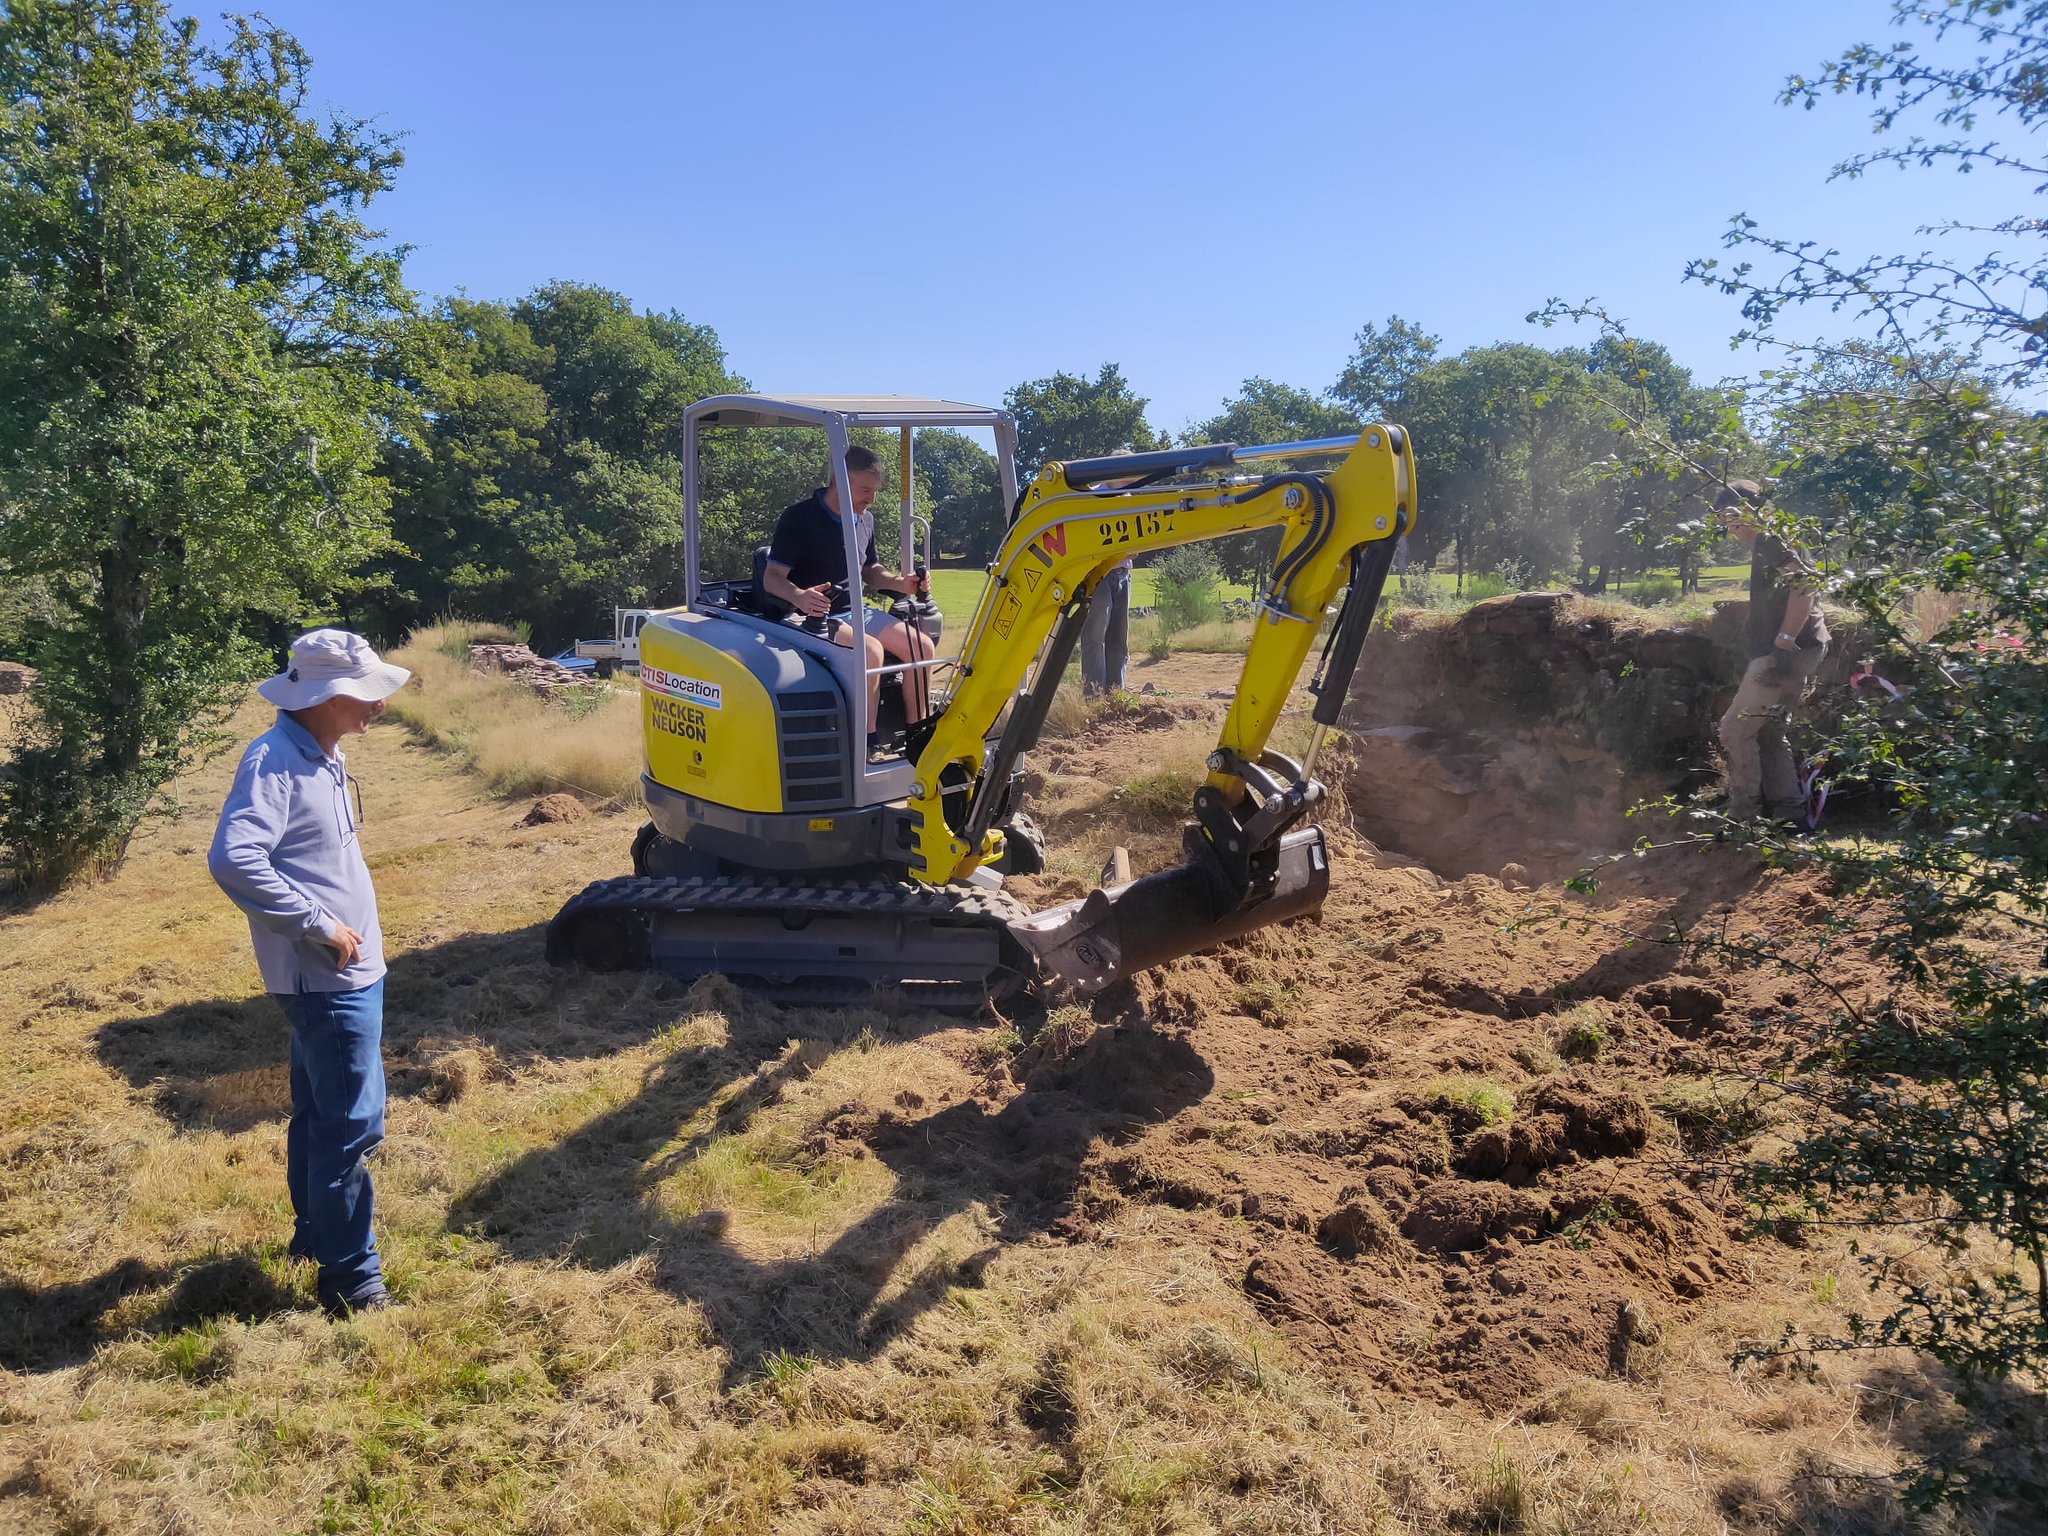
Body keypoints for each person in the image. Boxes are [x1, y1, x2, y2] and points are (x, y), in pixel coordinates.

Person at [208, 628, 410, 1317]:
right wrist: (320, 927)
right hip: (329, 983)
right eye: (364, 695)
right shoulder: (273, 763)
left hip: (344, 976)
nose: (377, 707)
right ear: (323, 697)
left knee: (321, 1112)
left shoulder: (318, 752)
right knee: (350, 1127)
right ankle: (352, 1281)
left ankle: (313, 1236)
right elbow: (235, 860)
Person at [762, 444, 934, 749]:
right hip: (812, 615)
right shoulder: (798, 518)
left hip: (855, 611)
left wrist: (900, 583)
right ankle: (868, 742)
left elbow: (869, 569)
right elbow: (772, 578)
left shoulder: (864, 519)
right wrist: (801, 596)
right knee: (871, 651)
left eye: (876, 490)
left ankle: (918, 734)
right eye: (866, 489)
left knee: (921, 646)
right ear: (839, 481)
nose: (872, 498)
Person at [1714, 480, 1830, 825]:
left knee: (1734, 729)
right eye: (1724, 522)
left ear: (1751, 509)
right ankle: (1789, 813)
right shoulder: (1774, 538)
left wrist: (1782, 641)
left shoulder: (1774, 539)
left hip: (1786, 651)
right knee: (1769, 731)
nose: (1730, 529)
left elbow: (1805, 586)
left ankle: (1744, 815)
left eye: (1731, 518)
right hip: (1804, 648)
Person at [1079, 557, 1132, 696]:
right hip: (1099, 575)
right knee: (1095, 638)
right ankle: (1093, 696)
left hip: (1123, 573)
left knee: (1119, 639)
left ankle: (1115, 695)